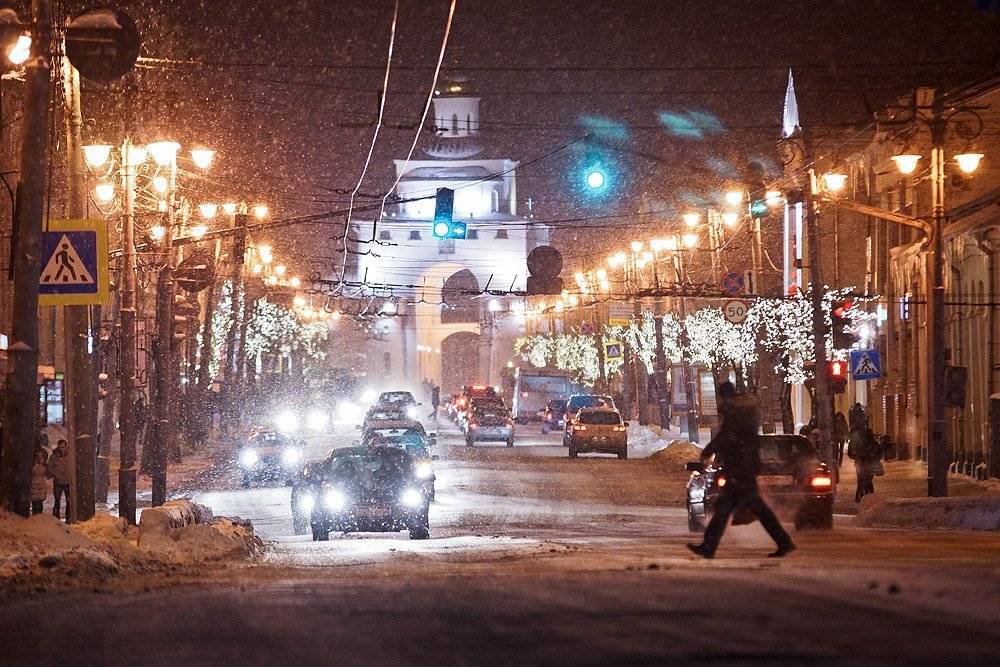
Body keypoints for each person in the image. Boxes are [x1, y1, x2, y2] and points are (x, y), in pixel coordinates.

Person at [687, 382, 796, 559]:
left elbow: (727, 436)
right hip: (744, 467)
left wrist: (708, 450)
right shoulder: (745, 412)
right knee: (746, 509)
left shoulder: (734, 412)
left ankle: (709, 546)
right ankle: (709, 546)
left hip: (739, 470)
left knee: (728, 509)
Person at [848, 426, 882, 503]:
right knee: (868, 480)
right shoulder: (874, 444)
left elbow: (851, 453)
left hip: (861, 464)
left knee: (861, 480)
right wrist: (875, 459)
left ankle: (860, 496)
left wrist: (857, 458)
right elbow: (880, 454)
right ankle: (868, 496)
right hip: (869, 465)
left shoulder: (860, 444)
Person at [47, 438, 72, 520]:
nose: (62, 449)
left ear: (66, 446)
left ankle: (68, 519)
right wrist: (56, 475)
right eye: (60, 447)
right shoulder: (54, 456)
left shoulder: (70, 456)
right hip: (58, 482)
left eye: (63, 447)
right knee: (57, 501)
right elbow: (50, 467)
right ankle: (56, 518)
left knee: (69, 502)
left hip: (68, 482)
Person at [30, 449, 49, 516]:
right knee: (35, 502)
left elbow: (47, 474)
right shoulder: (33, 465)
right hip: (35, 484)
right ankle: (36, 515)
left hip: (39, 484)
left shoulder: (43, 465)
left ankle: (38, 515)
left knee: (39, 502)